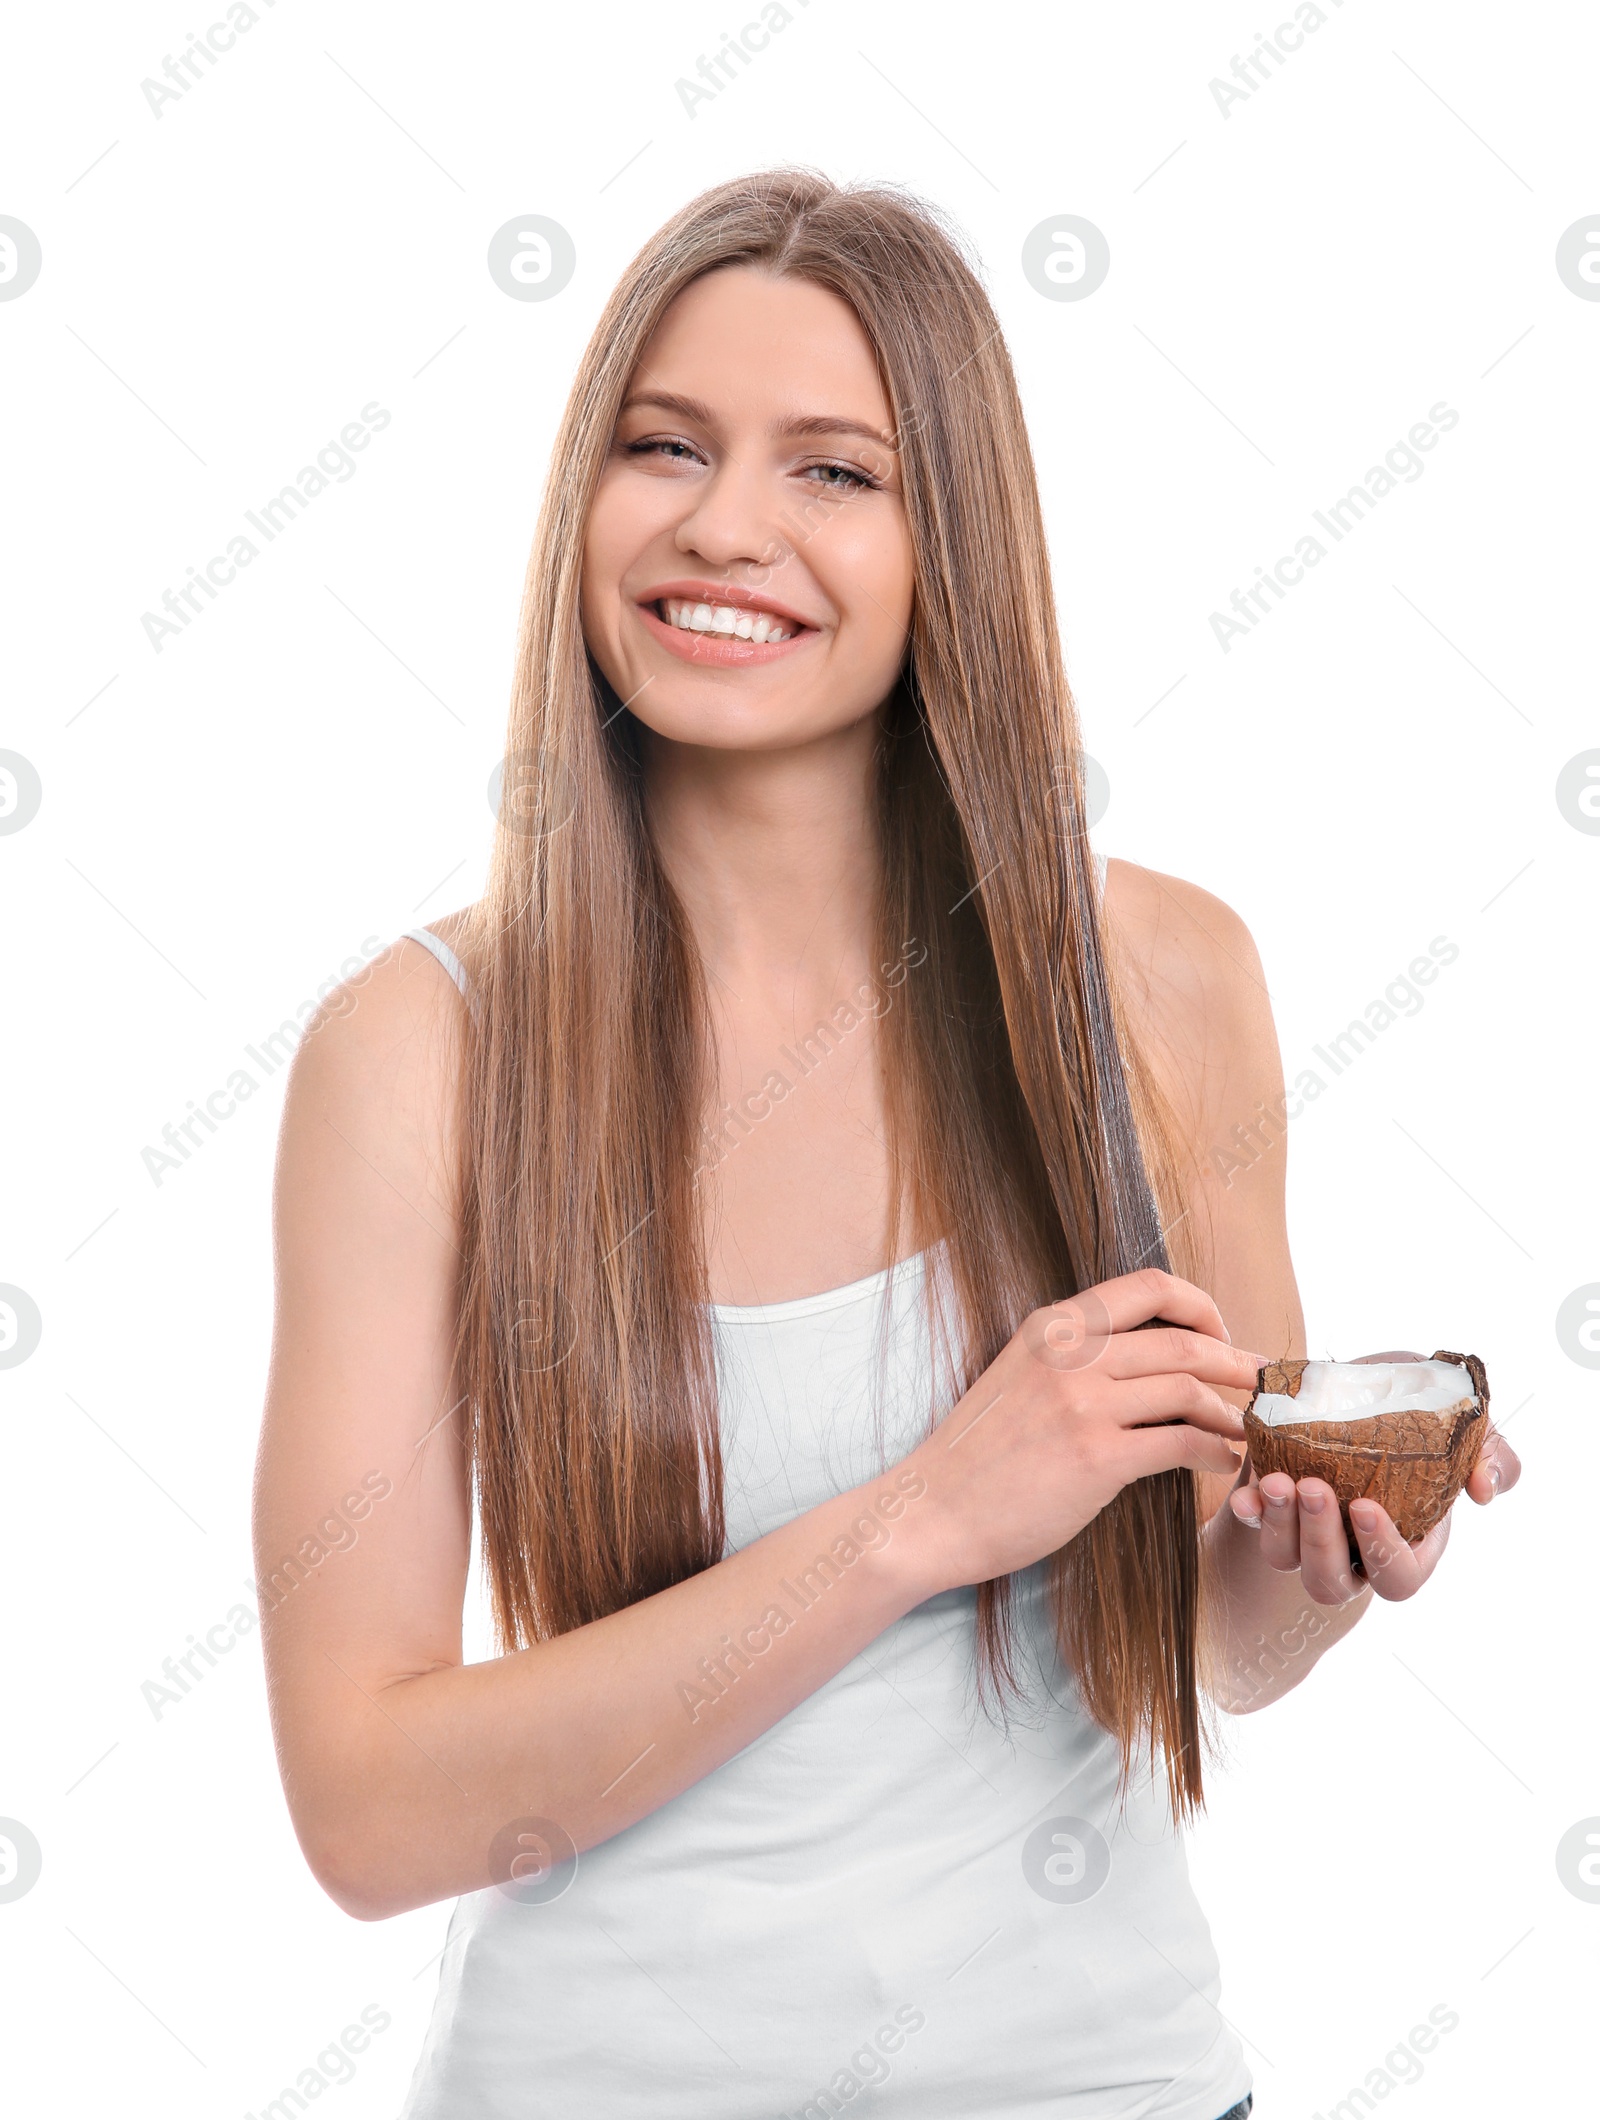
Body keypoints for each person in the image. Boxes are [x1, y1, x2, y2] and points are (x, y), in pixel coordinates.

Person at [253, 169, 1517, 2119]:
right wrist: (915, 1518)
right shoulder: (421, 1049)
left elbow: (1207, 1644)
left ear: (957, 546)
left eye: (832, 470)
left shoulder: (1162, 981)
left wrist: (1320, 1563)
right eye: (660, 444)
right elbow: (364, 1805)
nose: (720, 523)